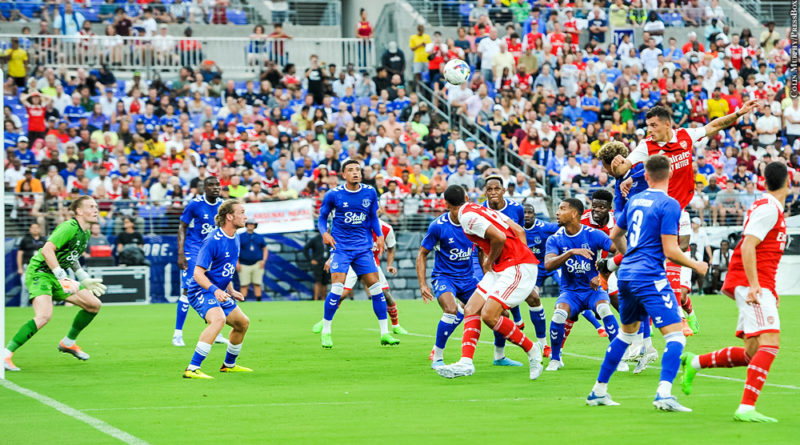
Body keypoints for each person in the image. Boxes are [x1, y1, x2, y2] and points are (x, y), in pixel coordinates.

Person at [612, 102, 758, 337]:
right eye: (647, 125)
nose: (649, 130)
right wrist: (619, 168)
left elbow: (714, 125)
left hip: (680, 209)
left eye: (653, 125)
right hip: (659, 209)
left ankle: (683, 305)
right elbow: (625, 166)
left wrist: (739, 113)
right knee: (665, 256)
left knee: (677, 252)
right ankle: (678, 313)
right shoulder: (646, 146)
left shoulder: (685, 136)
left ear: (667, 124)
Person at [586, 155, 708, 411]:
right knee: (676, 337)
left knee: (625, 334)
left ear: (646, 177)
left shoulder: (635, 201)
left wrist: (628, 255)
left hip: (627, 274)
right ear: (670, 175)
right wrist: (696, 265)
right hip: (649, 276)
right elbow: (671, 250)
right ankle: (664, 395)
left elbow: (614, 234)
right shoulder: (670, 203)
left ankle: (599, 390)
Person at [680, 162, 789, 422]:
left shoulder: (770, 208)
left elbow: (762, 252)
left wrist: (769, 290)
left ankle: (696, 362)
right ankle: (746, 407)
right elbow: (748, 245)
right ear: (788, 182)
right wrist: (755, 286)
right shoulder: (769, 208)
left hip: (759, 284)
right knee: (770, 344)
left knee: (752, 352)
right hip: (752, 284)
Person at [434, 185, 544, 380]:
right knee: (471, 308)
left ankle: (532, 349)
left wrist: (491, 260)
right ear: (467, 197)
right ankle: (466, 363)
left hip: (515, 267)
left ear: (446, 204)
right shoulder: (481, 209)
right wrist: (517, 253)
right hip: (504, 267)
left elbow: (500, 237)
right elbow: (518, 230)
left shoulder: (466, 217)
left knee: (489, 315)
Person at [3, 196, 108, 372]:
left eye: (96, 206)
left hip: (56, 275)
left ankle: (68, 343)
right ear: (79, 211)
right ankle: (5, 354)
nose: (96, 209)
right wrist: (62, 276)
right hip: (41, 273)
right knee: (44, 315)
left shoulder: (86, 232)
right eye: (91, 206)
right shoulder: (69, 227)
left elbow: (71, 257)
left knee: (93, 304)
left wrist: (83, 277)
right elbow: (46, 250)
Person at [317, 159, 399, 348]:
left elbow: (372, 217)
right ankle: (326, 331)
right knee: (337, 289)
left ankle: (385, 333)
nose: (355, 172)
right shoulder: (333, 194)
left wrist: (379, 235)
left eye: (358, 170)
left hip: (363, 248)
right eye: (351, 170)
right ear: (343, 174)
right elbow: (322, 218)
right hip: (341, 248)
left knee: (376, 288)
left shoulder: (369, 192)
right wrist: (324, 233)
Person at [544, 198, 621, 372]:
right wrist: (571, 252)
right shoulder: (555, 239)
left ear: (574, 214)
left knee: (604, 310)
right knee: (558, 315)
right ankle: (556, 359)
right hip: (570, 292)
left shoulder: (594, 234)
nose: (557, 212)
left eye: (562, 208)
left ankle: (618, 358)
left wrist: (603, 272)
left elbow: (619, 250)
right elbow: (548, 264)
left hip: (593, 290)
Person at [182, 199, 252, 379]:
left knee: (242, 323)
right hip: (200, 290)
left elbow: (223, 269)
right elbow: (197, 274)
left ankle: (228, 365)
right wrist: (215, 290)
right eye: (242, 212)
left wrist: (230, 289)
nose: (246, 216)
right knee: (218, 319)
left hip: (219, 290)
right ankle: (192, 368)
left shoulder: (235, 236)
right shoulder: (212, 239)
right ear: (229, 216)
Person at [312, 218, 408, 335]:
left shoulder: (386, 228)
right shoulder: (356, 223)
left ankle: (395, 325)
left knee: (386, 295)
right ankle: (324, 322)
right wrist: (331, 258)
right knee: (341, 294)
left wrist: (390, 264)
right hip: (351, 261)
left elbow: (391, 247)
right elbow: (342, 242)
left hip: (371, 264)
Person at [416, 208, 476, 369]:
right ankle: (438, 356)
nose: (460, 210)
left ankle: (500, 355)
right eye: (456, 207)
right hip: (445, 277)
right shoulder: (438, 226)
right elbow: (422, 254)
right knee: (451, 309)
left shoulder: (473, 222)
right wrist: (422, 284)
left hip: (468, 279)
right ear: (448, 206)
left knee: (495, 312)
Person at [174, 176, 226, 347]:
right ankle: (177, 334)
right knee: (187, 289)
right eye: (211, 185)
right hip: (194, 250)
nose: (215, 188)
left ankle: (215, 330)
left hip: (213, 251)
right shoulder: (195, 204)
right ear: (204, 188)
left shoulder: (223, 206)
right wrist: (181, 253)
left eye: (217, 185)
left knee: (215, 289)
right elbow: (182, 226)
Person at [481, 175, 532, 342]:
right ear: (485, 192)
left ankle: (543, 343)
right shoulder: (481, 210)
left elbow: (520, 232)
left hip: (512, 258)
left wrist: (523, 258)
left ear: (503, 190)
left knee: (534, 297)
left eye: (497, 189)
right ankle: (501, 351)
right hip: (487, 257)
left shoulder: (516, 208)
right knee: (489, 307)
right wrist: (485, 267)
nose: (494, 192)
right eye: (490, 189)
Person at [522, 203, 559, 357]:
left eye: (530, 212)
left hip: (550, 265)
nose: (527, 215)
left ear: (535, 215)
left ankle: (599, 327)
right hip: (531, 270)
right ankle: (499, 354)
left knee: (569, 290)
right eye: (524, 212)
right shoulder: (515, 229)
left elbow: (563, 228)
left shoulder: (544, 227)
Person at [238, 221, 268, 301]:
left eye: (252, 224)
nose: (250, 226)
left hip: (257, 263)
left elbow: (265, 249)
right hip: (243, 263)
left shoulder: (259, 237)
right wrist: (237, 262)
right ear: (246, 225)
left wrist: (263, 260)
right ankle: (242, 302)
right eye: (249, 224)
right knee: (244, 284)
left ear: (255, 226)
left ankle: (258, 302)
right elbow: (235, 250)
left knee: (257, 283)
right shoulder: (240, 236)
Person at [16, 223, 46, 305]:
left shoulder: (44, 240)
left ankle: (41, 306)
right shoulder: (25, 240)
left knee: (42, 288)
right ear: (30, 229)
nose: (35, 229)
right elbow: (19, 254)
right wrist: (19, 267)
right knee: (25, 288)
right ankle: (23, 307)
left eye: (37, 227)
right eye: (33, 228)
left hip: (41, 268)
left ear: (40, 229)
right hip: (27, 267)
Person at [303, 233, 329, 301]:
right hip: (318, 263)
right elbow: (305, 249)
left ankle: (324, 299)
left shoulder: (330, 238)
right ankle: (316, 299)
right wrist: (311, 259)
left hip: (327, 263)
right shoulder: (315, 239)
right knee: (318, 281)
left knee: (325, 282)